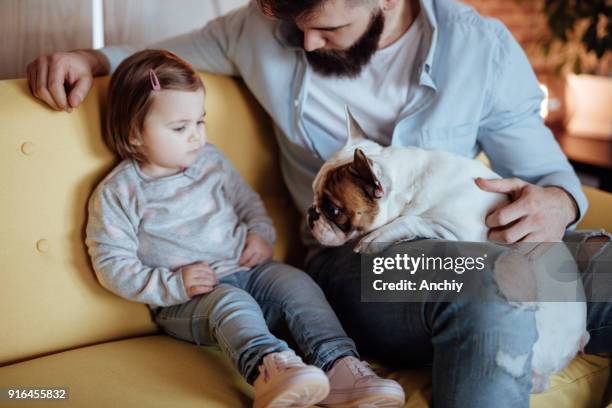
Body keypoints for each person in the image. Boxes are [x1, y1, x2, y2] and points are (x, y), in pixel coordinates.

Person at [28, 0, 611, 406]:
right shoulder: (264, 32)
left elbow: (546, 175)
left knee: (603, 269)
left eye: (328, 27)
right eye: (296, 25)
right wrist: (89, 58)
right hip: (351, 264)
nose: (305, 43)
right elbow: (155, 58)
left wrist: (556, 203)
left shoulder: (478, 45)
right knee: (486, 280)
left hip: (475, 234)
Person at [84, 48, 406, 408]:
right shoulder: (118, 193)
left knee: (296, 282)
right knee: (229, 300)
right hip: (186, 299)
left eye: (200, 122)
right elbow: (111, 263)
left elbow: (248, 204)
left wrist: (260, 236)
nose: (196, 136)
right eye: (180, 128)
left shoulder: (211, 159)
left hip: (250, 270)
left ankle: (340, 366)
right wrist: (172, 284)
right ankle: (271, 370)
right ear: (133, 134)